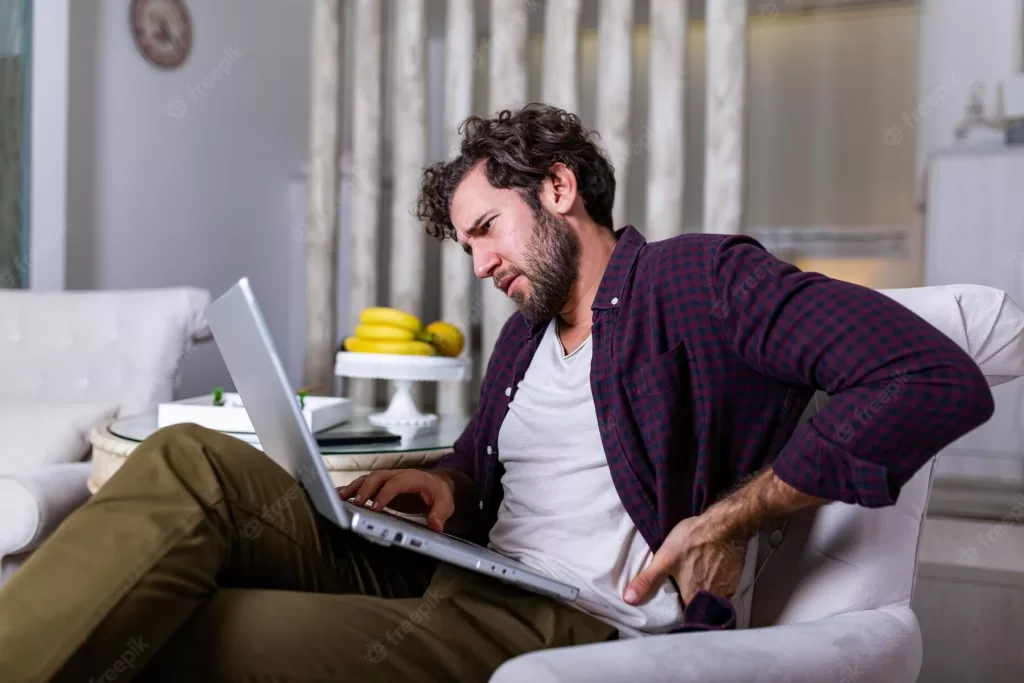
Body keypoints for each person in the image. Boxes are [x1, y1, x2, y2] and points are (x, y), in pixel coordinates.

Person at [0, 104, 994, 682]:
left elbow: (927, 376)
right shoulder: (527, 336)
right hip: (461, 568)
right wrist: (443, 482)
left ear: (558, 188)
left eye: (485, 228)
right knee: (191, 460)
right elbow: (491, 466)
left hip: (570, 615)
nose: (475, 261)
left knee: (197, 618)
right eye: (467, 241)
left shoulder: (699, 281)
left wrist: (738, 513)